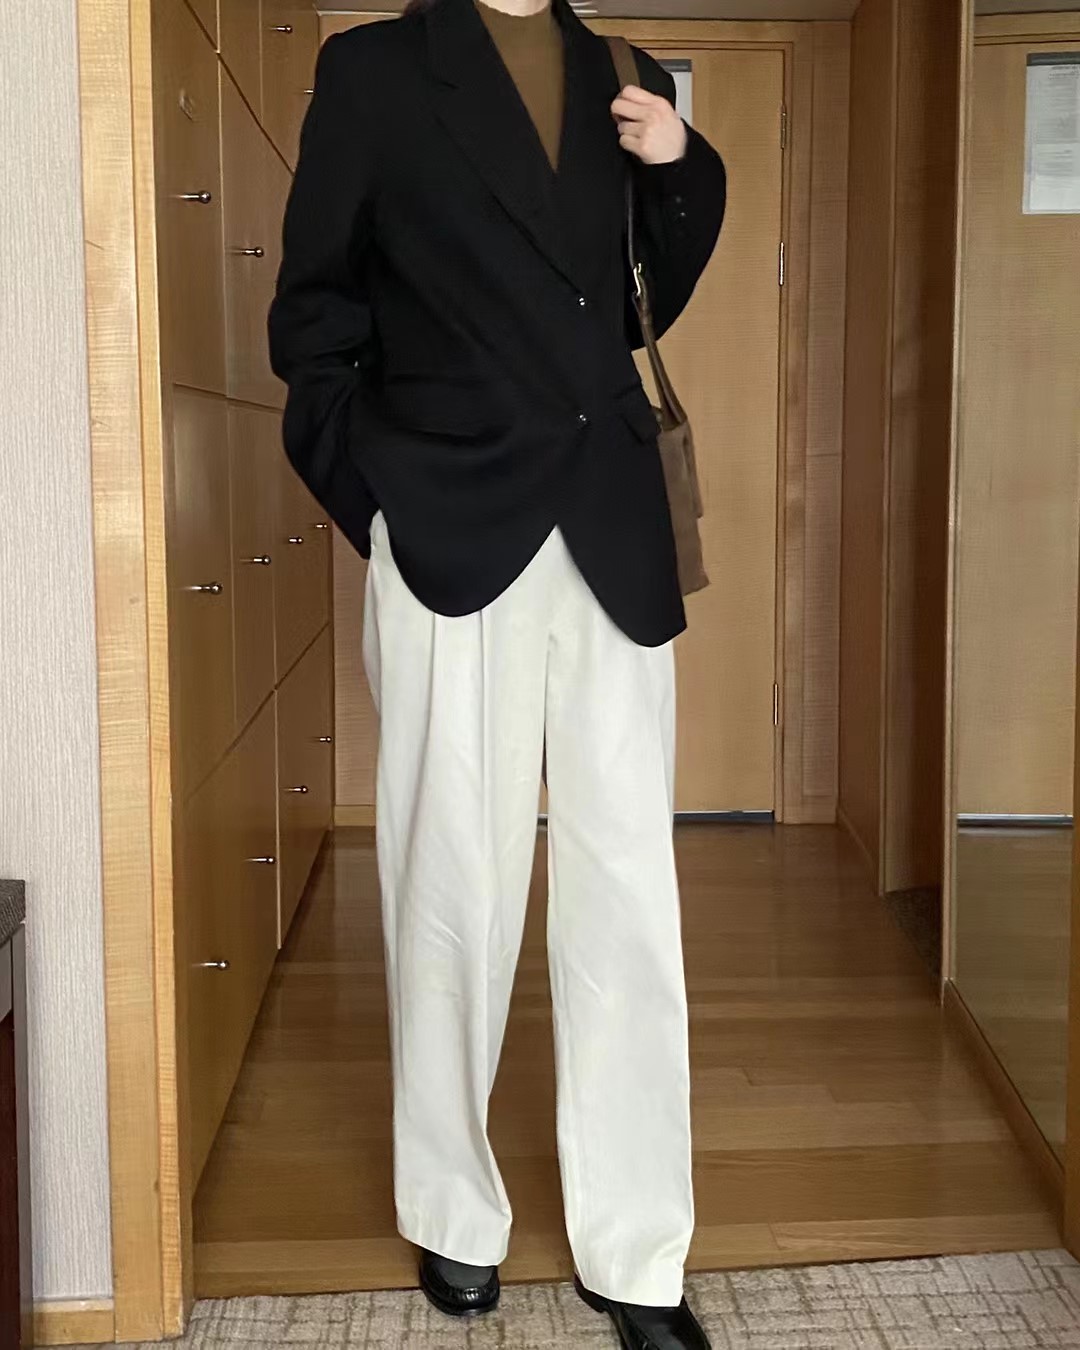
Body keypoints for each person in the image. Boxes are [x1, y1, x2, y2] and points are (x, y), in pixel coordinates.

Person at [268, 0, 726, 1341]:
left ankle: (637, 1247)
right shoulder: (372, 70)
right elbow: (314, 311)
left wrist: (682, 167)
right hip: (450, 520)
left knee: (628, 891)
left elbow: (643, 297)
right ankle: (456, 1210)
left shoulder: (623, 73)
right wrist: (378, 501)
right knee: (450, 876)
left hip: (608, 523)